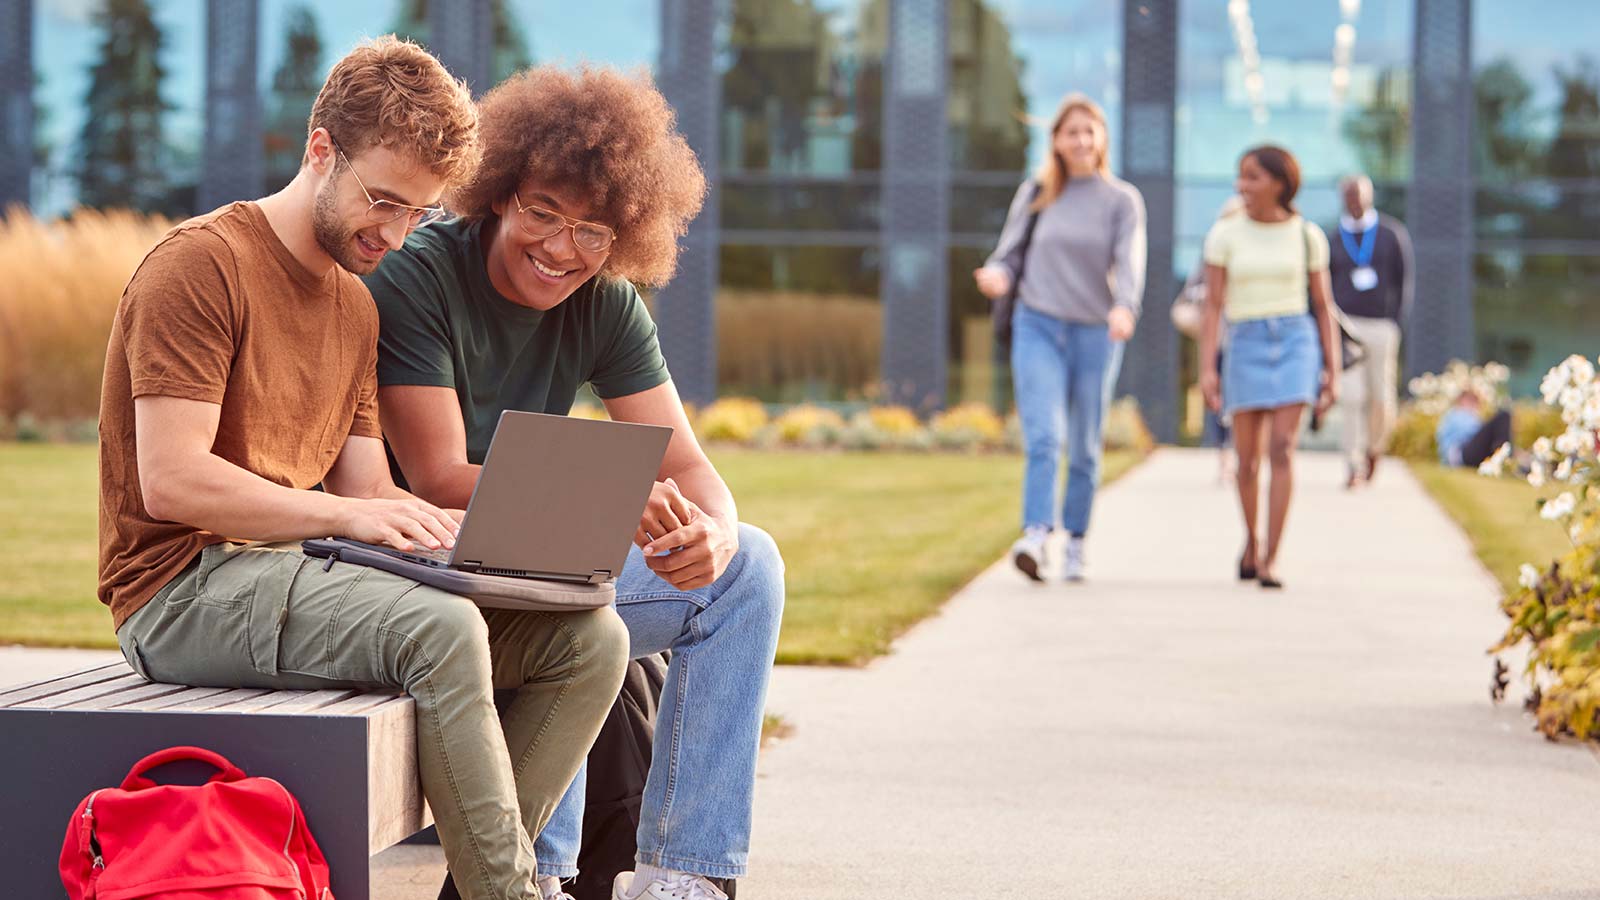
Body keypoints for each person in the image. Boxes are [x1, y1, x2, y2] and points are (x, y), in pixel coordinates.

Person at [98, 38, 629, 900]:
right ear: (320, 151)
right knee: (441, 630)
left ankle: (484, 888)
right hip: (181, 588)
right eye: (383, 200)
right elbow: (174, 481)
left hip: (294, 575)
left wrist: (450, 534)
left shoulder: (352, 302)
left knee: (589, 642)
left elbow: (365, 491)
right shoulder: (201, 265)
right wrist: (352, 522)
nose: (394, 232)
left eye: (417, 214)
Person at [363, 66, 785, 900]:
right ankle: (543, 876)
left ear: (624, 238)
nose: (561, 249)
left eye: (593, 232)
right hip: (420, 569)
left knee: (751, 570)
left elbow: (691, 467)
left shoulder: (606, 304)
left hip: (532, 556)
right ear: (497, 192)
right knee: (567, 569)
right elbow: (443, 476)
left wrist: (717, 531)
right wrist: (611, 504)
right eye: (542, 213)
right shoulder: (419, 275)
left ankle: (682, 876)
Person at [973, 93, 1147, 583]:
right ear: (1056, 141)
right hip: (1039, 323)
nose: (1081, 140)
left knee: (1087, 444)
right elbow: (1008, 255)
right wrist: (997, 277)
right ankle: (1035, 534)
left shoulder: (1121, 200)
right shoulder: (1037, 193)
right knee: (1046, 436)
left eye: (1090, 131)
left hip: (1096, 330)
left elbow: (1130, 260)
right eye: (1072, 131)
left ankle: (1076, 540)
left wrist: (1124, 308)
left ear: (1102, 139)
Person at [1199, 145, 1341, 590]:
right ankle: (1252, 541)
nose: (1243, 186)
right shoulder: (1225, 234)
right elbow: (1212, 306)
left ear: (1280, 183)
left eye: (1253, 177)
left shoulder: (1307, 235)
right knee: (1246, 461)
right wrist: (1208, 369)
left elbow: (1323, 306)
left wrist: (1331, 369)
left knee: (1281, 447)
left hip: (1296, 341)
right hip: (1244, 341)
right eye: (1240, 177)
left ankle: (1271, 558)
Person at [1327, 173, 1413, 488]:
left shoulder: (1391, 234)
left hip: (1381, 326)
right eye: (1349, 195)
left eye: (1359, 194)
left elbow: (1404, 280)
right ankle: (1352, 463)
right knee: (1351, 397)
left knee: (1380, 397)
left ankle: (1373, 449)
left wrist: (1395, 321)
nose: (1355, 201)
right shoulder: (1334, 239)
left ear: (1370, 196)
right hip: (1347, 325)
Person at [1436, 389, 1512, 469]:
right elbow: (1467, 434)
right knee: (1504, 416)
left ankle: (1505, 457)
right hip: (1461, 454)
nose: (1472, 404)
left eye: (1474, 401)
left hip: (1471, 454)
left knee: (1501, 422)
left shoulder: (1473, 417)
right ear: (1461, 400)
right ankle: (1504, 457)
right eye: (1470, 400)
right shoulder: (1455, 414)